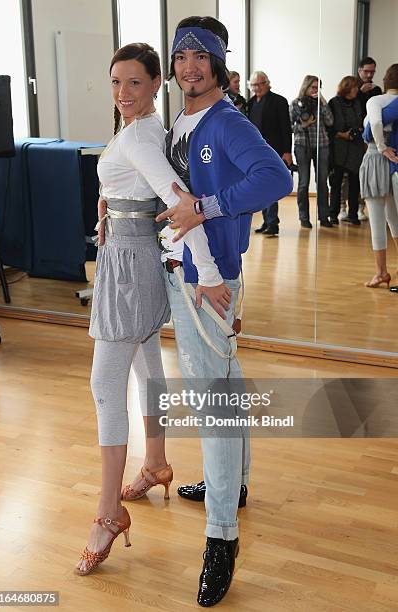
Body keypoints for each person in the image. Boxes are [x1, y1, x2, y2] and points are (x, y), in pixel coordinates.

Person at [155, 16, 292, 606]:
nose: (189, 66)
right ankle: (229, 486)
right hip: (187, 273)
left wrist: (207, 206)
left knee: (211, 402)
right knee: (226, 385)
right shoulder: (183, 119)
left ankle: (221, 540)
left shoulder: (226, 121)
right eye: (181, 56)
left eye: (199, 57)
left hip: (210, 281)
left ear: (217, 64)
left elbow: (277, 178)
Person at [74, 42, 224, 576]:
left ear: (156, 83)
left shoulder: (139, 134)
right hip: (132, 255)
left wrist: (206, 274)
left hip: (131, 267)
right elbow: (148, 192)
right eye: (116, 83)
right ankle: (155, 462)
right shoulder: (144, 129)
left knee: (104, 384)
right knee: (146, 366)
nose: (122, 93)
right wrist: (111, 208)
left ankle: (107, 511)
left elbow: (179, 201)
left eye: (134, 83)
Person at [359, 63, 398, 288]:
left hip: (376, 158)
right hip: (394, 163)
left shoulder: (376, 101)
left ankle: (381, 272)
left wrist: (382, 147)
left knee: (376, 219)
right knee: (394, 219)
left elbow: (374, 122)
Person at [247, 70, 292, 236]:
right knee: (260, 187)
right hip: (255, 152)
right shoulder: (250, 103)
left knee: (271, 185)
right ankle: (266, 221)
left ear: (267, 83)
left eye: (260, 84)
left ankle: (273, 223)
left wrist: (287, 151)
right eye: (254, 85)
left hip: (274, 150)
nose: (257, 87)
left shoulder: (279, 101)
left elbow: (286, 128)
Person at [290, 75, 334, 228]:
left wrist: (322, 101)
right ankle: (304, 218)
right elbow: (290, 126)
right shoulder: (296, 103)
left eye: (318, 88)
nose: (316, 90)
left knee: (322, 181)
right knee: (303, 182)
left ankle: (324, 216)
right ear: (306, 87)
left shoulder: (321, 103)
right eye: (313, 87)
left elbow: (330, 121)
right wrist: (304, 124)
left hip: (322, 144)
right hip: (302, 145)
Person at [328, 76, 365, 225]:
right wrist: (343, 135)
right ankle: (333, 215)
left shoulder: (357, 103)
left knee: (355, 182)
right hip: (339, 147)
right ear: (347, 88)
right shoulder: (334, 102)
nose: (357, 90)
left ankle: (353, 214)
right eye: (355, 87)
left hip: (356, 146)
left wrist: (358, 131)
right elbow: (329, 127)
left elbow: (362, 121)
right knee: (336, 182)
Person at [352, 56, 383, 222]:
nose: (369, 75)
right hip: (353, 136)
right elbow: (350, 106)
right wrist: (360, 93)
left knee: (366, 173)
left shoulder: (377, 90)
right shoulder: (351, 86)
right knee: (352, 173)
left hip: (370, 136)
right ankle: (347, 207)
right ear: (359, 71)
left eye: (372, 72)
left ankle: (360, 207)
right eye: (366, 71)